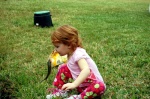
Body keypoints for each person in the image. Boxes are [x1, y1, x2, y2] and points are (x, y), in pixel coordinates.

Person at [46, 25, 106, 99]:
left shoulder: (78, 54)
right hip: (81, 86)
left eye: (57, 46)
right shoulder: (69, 53)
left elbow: (86, 70)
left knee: (100, 86)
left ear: (69, 44)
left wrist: (74, 84)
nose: (55, 50)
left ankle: (78, 97)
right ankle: (61, 91)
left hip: (93, 86)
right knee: (63, 67)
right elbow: (71, 65)